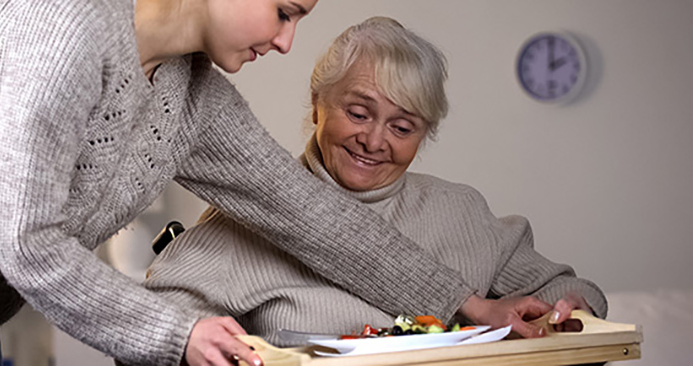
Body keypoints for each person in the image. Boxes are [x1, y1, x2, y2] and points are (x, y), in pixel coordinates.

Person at [0, 0, 531, 364]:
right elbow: (27, 241)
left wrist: (466, 302)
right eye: (281, 10)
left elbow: (310, 214)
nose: (285, 40)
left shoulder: (193, 95)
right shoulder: (67, 27)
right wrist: (176, 333)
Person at [143, 16, 607, 347]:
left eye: (402, 128)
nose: (373, 140)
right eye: (358, 113)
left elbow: (570, 294)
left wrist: (570, 311)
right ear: (317, 102)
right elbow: (158, 323)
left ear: (425, 134)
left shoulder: (462, 212)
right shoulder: (241, 221)